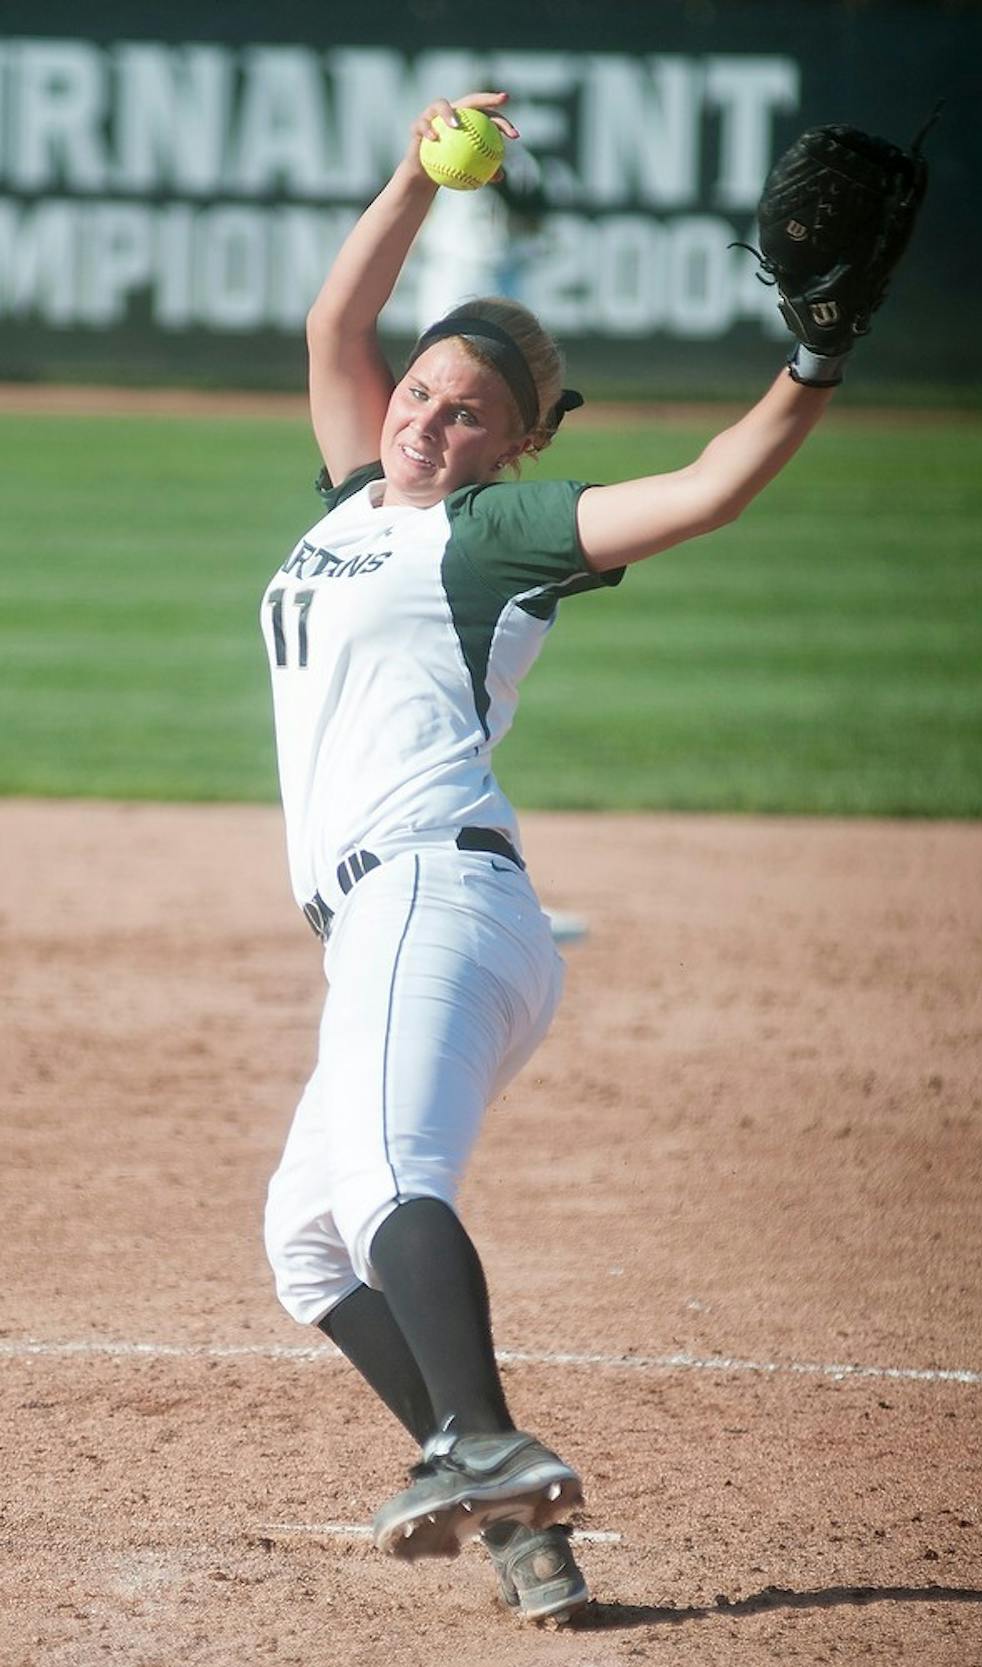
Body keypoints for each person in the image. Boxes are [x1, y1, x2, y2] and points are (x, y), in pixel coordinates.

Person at [261, 91, 837, 1627]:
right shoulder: (355, 503)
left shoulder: (495, 532)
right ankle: (523, 1529)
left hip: (432, 900)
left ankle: (487, 1443)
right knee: (308, 1244)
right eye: (423, 394)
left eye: (466, 415)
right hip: (408, 919)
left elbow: (712, 486)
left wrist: (815, 360)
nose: (426, 421)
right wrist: (406, 172)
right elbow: (338, 319)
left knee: (389, 1179)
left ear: (516, 447)